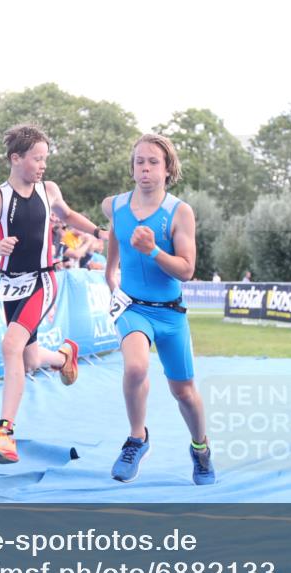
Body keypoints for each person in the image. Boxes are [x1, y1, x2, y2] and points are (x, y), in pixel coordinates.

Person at [0, 123, 106, 464]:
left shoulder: (49, 190)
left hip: (44, 279)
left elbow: (68, 216)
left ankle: (4, 434)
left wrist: (100, 232)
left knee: (10, 345)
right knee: (27, 359)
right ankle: (63, 357)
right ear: (16, 158)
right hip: (11, 284)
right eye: (37, 159)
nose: (43, 166)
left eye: (45, 159)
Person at [102, 133, 214, 485]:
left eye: (153, 162)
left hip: (170, 314)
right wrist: (109, 270)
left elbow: (187, 269)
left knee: (184, 392)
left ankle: (201, 448)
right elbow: (116, 231)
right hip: (133, 307)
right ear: (132, 168)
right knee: (136, 367)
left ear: (168, 170)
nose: (145, 168)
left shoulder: (180, 212)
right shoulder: (114, 205)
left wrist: (152, 250)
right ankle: (137, 439)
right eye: (139, 162)